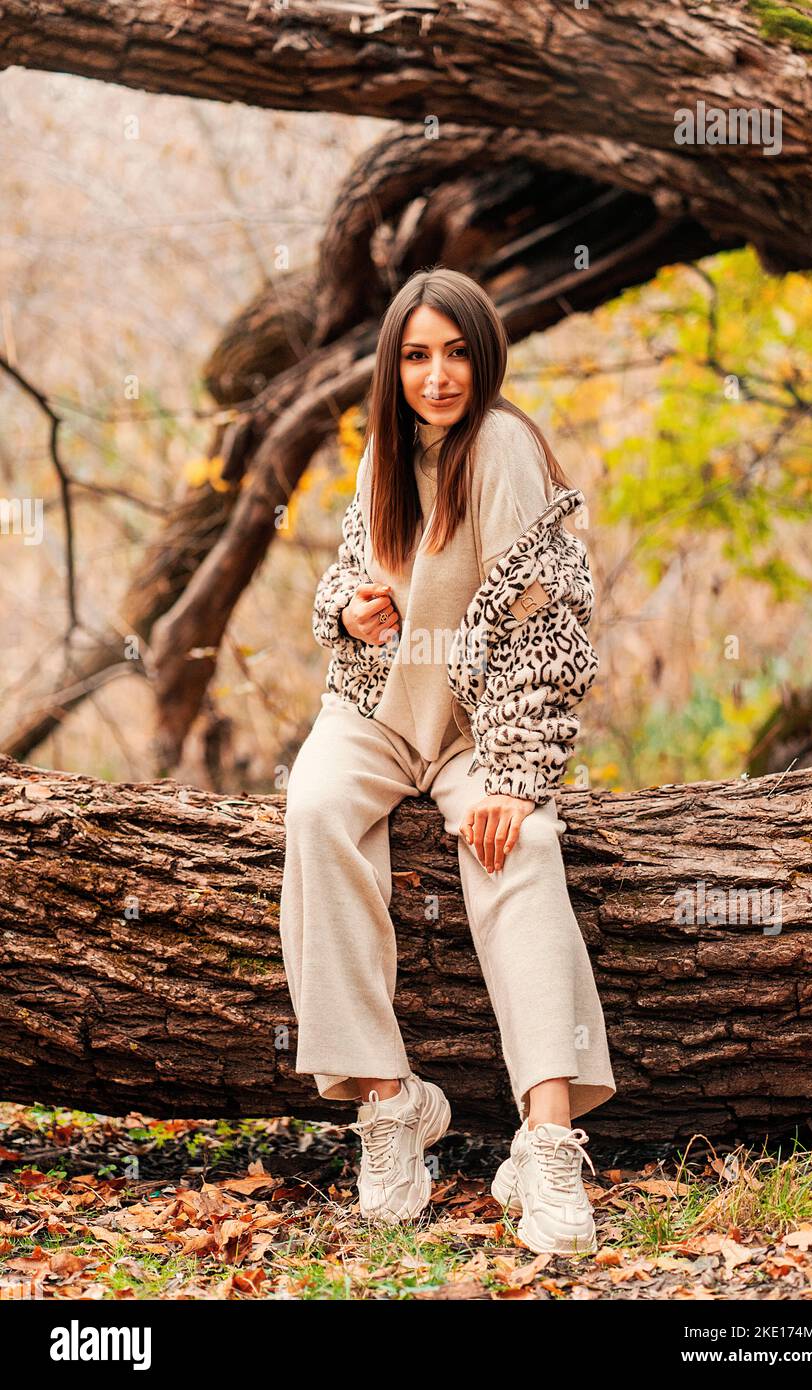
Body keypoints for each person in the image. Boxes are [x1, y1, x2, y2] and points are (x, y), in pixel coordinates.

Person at [278, 266, 616, 1256]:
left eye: (456, 351)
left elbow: (546, 627)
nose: (437, 375)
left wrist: (512, 779)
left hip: (478, 728)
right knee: (313, 811)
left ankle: (549, 1140)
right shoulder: (384, 448)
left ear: (484, 354)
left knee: (518, 853)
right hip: (377, 710)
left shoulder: (503, 445)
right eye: (417, 355)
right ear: (394, 365)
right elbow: (345, 570)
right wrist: (349, 607)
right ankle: (390, 1103)